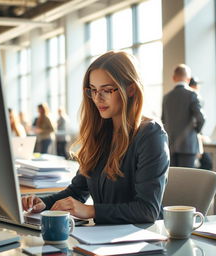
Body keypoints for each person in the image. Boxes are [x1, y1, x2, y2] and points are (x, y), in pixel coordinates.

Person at [22, 51, 170, 224]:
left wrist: (91, 210)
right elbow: (77, 191)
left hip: (139, 239)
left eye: (106, 90)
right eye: (93, 90)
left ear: (130, 89)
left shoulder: (151, 135)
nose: (98, 98)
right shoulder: (101, 133)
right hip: (101, 237)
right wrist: (44, 203)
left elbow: (147, 210)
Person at [162, 64, 205, 168]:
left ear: (173, 78)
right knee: (188, 179)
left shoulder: (166, 97)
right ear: (189, 79)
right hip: (188, 145)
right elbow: (201, 118)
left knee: (173, 178)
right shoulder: (192, 95)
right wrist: (196, 131)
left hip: (170, 144)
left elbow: (163, 119)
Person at [189, 77, 212, 170]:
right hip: (192, 139)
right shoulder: (193, 96)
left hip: (193, 138)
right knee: (206, 163)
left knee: (206, 162)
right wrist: (197, 133)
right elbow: (200, 119)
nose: (198, 87)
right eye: (197, 85)